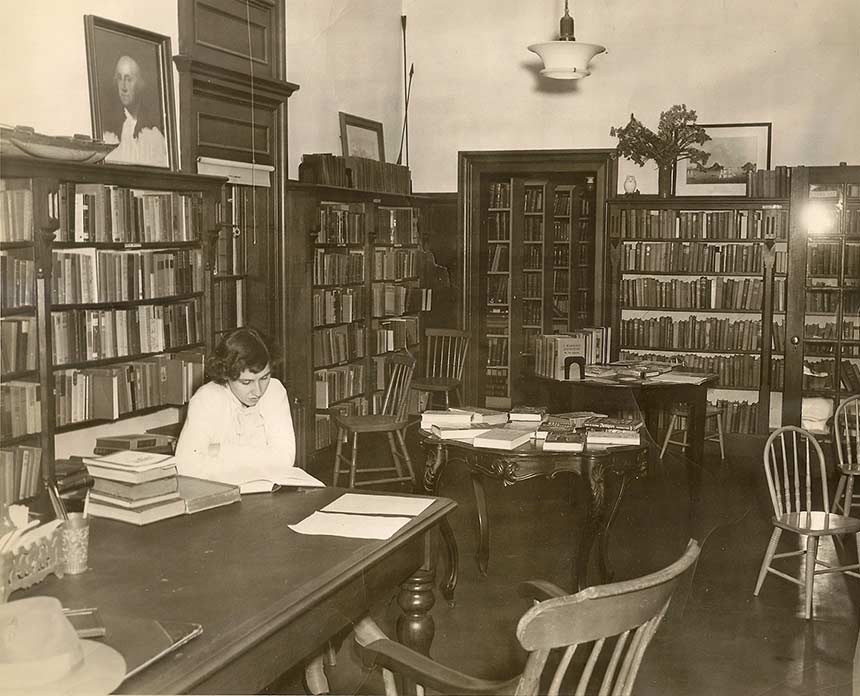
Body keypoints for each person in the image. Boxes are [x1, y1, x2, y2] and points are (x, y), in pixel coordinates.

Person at [174, 327, 296, 486]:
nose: (258, 391)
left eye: (264, 377)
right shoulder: (206, 398)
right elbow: (187, 467)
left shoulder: (274, 390)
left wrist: (220, 450)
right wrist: (261, 458)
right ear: (227, 375)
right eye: (246, 382)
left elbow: (285, 460)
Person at [102, 55, 168, 167]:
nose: (123, 87)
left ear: (140, 84)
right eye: (119, 78)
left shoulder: (154, 134)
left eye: (129, 79)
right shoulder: (108, 134)